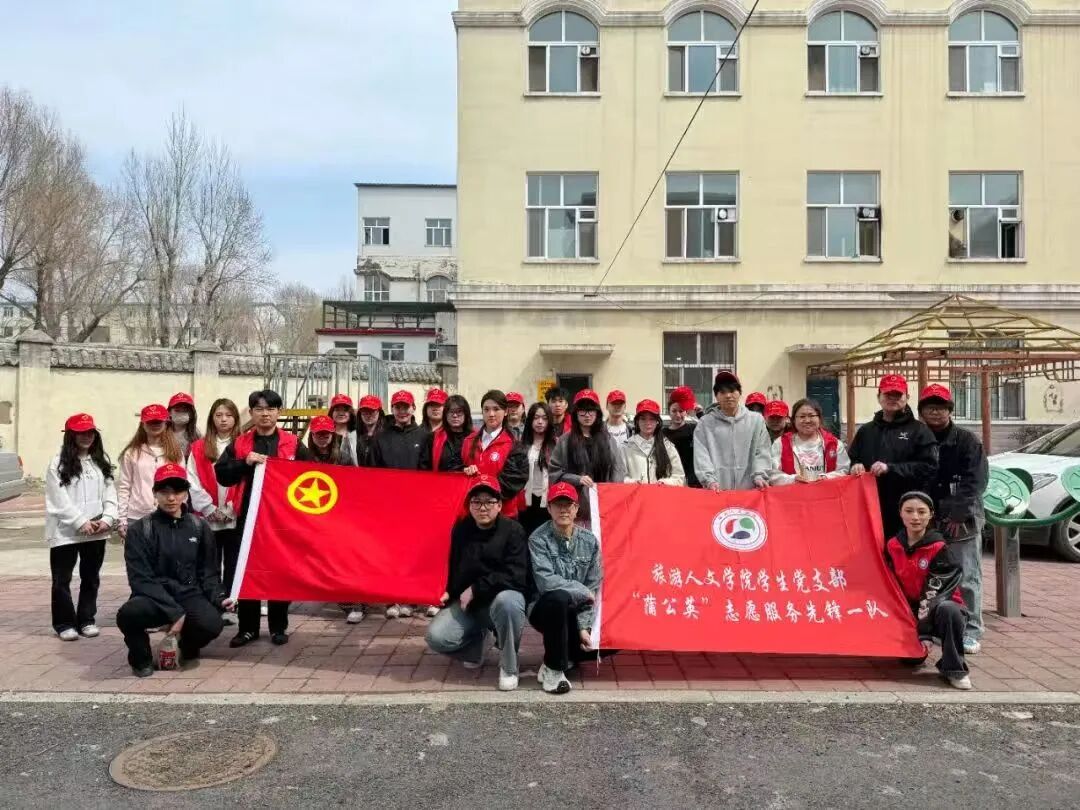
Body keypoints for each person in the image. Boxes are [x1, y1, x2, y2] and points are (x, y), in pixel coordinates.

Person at [215, 389, 311, 647]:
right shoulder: (240, 444)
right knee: (247, 571)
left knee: (280, 571)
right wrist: (244, 463)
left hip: (282, 521)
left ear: (279, 412)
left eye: (270, 409)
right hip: (247, 519)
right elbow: (222, 474)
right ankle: (248, 628)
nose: (265, 414)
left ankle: (279, 627)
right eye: (259, 409)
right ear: (251, 413)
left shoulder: (292, 443)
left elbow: (311, 474)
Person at [116, 463, 229, 677]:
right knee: (128, 614)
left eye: (177, 492)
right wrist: (175, 612)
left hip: (189, 593)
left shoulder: (199, 527)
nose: (171, 498)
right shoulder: (140, 530)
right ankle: (141, 659)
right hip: (155, 595)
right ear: (155, 493)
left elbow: (209, 573)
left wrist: (220, 598)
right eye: (164, 492)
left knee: (212, 624)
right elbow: (140, 579)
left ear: (186, 493)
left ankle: (187, 645)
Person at [425, 475, 529, 691]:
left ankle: (509, 666)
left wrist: (476, 588)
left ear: (499, 505)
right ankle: (476, 647)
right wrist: (447, 591)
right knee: (437, 637)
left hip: (503, 598)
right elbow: (453, 569)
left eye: (489, 502)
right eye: (476, 502)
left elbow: (516, 575)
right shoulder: (460, 530)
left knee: (509, 603)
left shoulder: (514, 531)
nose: (483, 507)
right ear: (469, 505)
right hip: (470, 605)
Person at [917, 383, 988, 656]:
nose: (935, 412)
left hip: (962, 519)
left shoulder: (967, 441)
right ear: (922, 411)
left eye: (941, 407)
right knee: (933, 575)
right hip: (928, 517)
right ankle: (941, 625)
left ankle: (971, 629)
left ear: (950, 410)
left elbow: (976, 481)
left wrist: (958, 513)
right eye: (930, 407)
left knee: (967, 575)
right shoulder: (919, 438)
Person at [884, 492, 972, 690]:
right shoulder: (893, 545)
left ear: (931, 514)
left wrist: (924, 632)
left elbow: (934, 593)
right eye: (909, 511)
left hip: (939, 607)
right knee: (911, 660)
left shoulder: (939, 547)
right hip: (912, 609)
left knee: (949, 610)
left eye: (921, 512)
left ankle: (954, 669)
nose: (915, 517)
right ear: (900, 513)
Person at [45, 413, 118, 641]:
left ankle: (87, 619)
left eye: (90, 432)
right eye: (81, 433)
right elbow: (58, 499)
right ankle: (64, 623)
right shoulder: (58, 464)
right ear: (70, 435)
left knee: (91, 577)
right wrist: (80, 521)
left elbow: (110, 493)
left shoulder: (100, 462)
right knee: (62, 580)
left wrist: (107, 518)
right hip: (65, 533)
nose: (87, 437)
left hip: (96, 532)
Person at [528, 482, 605, 694]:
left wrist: (583, 627)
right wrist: (582, 591)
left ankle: (560, 658)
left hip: (575, 612)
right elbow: (546, 582)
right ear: (549, 508)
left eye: (568, 505)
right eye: (558, 505)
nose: (563, 510)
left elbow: (593, 587)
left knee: (610, 640)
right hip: (544, 608)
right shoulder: (538, 539)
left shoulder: (590, 541)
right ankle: (555, 670)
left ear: (576, 508)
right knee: (559, 598)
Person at [848, 374, 939, 540]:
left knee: (901, 551)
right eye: (888, 394)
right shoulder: (866, 431)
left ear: (907, 397)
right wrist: (855, 465)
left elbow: (929, 467)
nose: (892, 399)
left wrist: (891, 468)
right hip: (869, 507)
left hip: (906, 510)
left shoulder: (920, 431)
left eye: (897, 394)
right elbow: (852, 459)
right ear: (879, 397)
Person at [187, 398, 243, 626]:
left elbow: (245, 481)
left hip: (233, 515)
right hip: (207, 517)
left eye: (228, 415)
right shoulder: (199, 447)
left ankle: (231, 604)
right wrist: (208, 508)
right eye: (219, 415)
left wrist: (231, 508)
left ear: (235, 419)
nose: (223, 420)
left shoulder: (243, 445)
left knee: (233, 563)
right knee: (209, 564)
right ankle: (212, 604)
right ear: (212, 418)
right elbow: (191, 480)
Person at [376, 390, 427, 619]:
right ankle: (391, 599)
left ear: (413, 408)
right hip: (388, 506)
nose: (402, 411)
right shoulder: (381, 437)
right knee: (389, 555)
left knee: (412, 554)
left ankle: (410, 599)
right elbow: (373, 472)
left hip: (416, 505)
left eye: (406, 406)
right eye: (398, 407)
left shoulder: (425, 436)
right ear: (392, 409)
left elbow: (428, 470)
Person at [549, 389, 628, 526]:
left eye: (591, 410)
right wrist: (577, 479)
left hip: (603, 507)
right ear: (576, 413)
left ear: (597, 413)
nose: (587, 415)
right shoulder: (565, 441)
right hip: (574, 509)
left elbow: (618, 470)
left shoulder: (608, 440)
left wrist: (611, 492)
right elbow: (554, 473)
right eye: (582, 411)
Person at [693, 371, 771, 492]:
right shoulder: (705, 423)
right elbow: (701, 455)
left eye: (732, 390)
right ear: (716, 396)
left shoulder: (756, 421)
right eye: (722, 392)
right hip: (718, 492)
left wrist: (759, 476)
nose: (728, 395)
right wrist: (709, 480)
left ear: (739, 393)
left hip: (750, 492)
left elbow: (762, 451)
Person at [117, 404, 183, 539]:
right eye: (150, 421)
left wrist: (180, 512)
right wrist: (122, 519)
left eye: (158, 421)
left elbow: (183, 485)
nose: (155, 425)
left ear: (166, 423)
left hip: (168, 515)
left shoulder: (176, 452)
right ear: (143, 424)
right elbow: (124, 486)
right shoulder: (132, 453)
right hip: (137, 517)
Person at [461, 390, 529, 520]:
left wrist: (486, 498)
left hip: (504, 515)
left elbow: (514, 482)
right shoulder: (468, 441)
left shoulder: (514, 445)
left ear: (506, 412)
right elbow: (458, 471)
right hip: (473, 513)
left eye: (496, 409)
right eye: (486, 409)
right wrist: (465, 471)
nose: (491, 414)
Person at [769, 398, 851, 486]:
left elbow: (844, 470)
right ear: (794, 420)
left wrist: (826, 478)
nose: (807, 420)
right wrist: (792, 479)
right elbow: (772, 474)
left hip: (826, 493)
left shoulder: (834, 444)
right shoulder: (780, 444)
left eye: (811, 416)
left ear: (819, 418)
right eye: (802, 416)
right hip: (793, 494)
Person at [623, 399, 686, 485]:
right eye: (643, 419)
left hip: (661, 493)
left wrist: (664, 483)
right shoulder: (626, 447)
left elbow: (679, 477)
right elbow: (619, 477)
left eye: (652, 419)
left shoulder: (668, 446)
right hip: (635, 493)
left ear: (657, 422)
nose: (647, 423)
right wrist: (632, 482)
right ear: (637, 421)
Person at [518, 402, 558, 537]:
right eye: (536, 418)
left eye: (544, 418)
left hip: (548, 500)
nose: (540, 422)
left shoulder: (556, 444)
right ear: (530, 420)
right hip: (525, 500)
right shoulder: (521, 444)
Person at [419, 394, 473, 473]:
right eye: (451, 411)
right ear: (445, 414)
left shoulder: (476, 437)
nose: (455, 415)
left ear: (466, 414)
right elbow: (424, 468)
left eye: (459, 411)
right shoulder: (433, 438)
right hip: (440, 480)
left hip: (469, 480)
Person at [664, 386, 700, 488]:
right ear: (669, 412)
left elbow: (710, 432)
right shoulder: (663, 434)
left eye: (681, 411)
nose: (678, 415)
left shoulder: (694, 429)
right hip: (672, 481)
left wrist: (700, 413)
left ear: (686, 412)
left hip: (693, 481)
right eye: (674, 411)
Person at [352, 394, 384, 467]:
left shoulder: (387, 435)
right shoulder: (353, 436)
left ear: (379, 412)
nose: (368, 415)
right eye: (364, 412)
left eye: (372, 411)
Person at [168, 392, 201, 460]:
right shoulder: (162, 434)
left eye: (185, 410)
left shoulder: (197, 436)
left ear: (191, 413)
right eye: (178, 410)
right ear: (169, 412)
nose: (181, 413)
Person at [328, 393, 356, 467]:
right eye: (337, 410)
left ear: (350, 413)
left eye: (345, 410)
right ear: (331, 413)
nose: (341, 413)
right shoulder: (325, 434)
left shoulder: (358, 435)